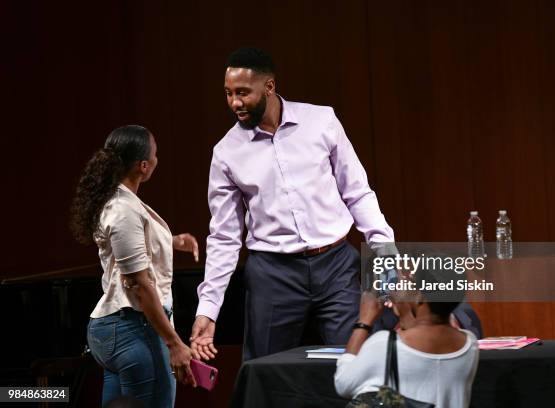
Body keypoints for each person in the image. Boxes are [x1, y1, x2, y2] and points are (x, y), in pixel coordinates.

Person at [190, 48, 395, 361]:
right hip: (273, 273)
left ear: (269, 87)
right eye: (229, 93)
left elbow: (357, 191)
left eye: (243, 93)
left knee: (360, 362)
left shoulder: (322, 121)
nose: (235, 103)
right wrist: (209, 309)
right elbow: (224, 237)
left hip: (336, 264)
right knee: (266, 371)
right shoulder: (226, 152)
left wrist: (385, 255)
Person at [71, 125, 199, 407]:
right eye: (156, 154)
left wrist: (173, 240)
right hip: (133, 328)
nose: (158, 159)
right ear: (144, 166)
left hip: (119, 330)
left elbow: (129, 246)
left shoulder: (119, 201)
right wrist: (175, 343)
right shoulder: (123, 209)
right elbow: (141, 285)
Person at [334, 265, 479, 408]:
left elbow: (343, 384)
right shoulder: (469, 344)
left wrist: (364, 320)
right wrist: (404, 310)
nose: (404, 283)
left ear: (420, 297)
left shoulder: (384, 344)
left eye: (411, 281)